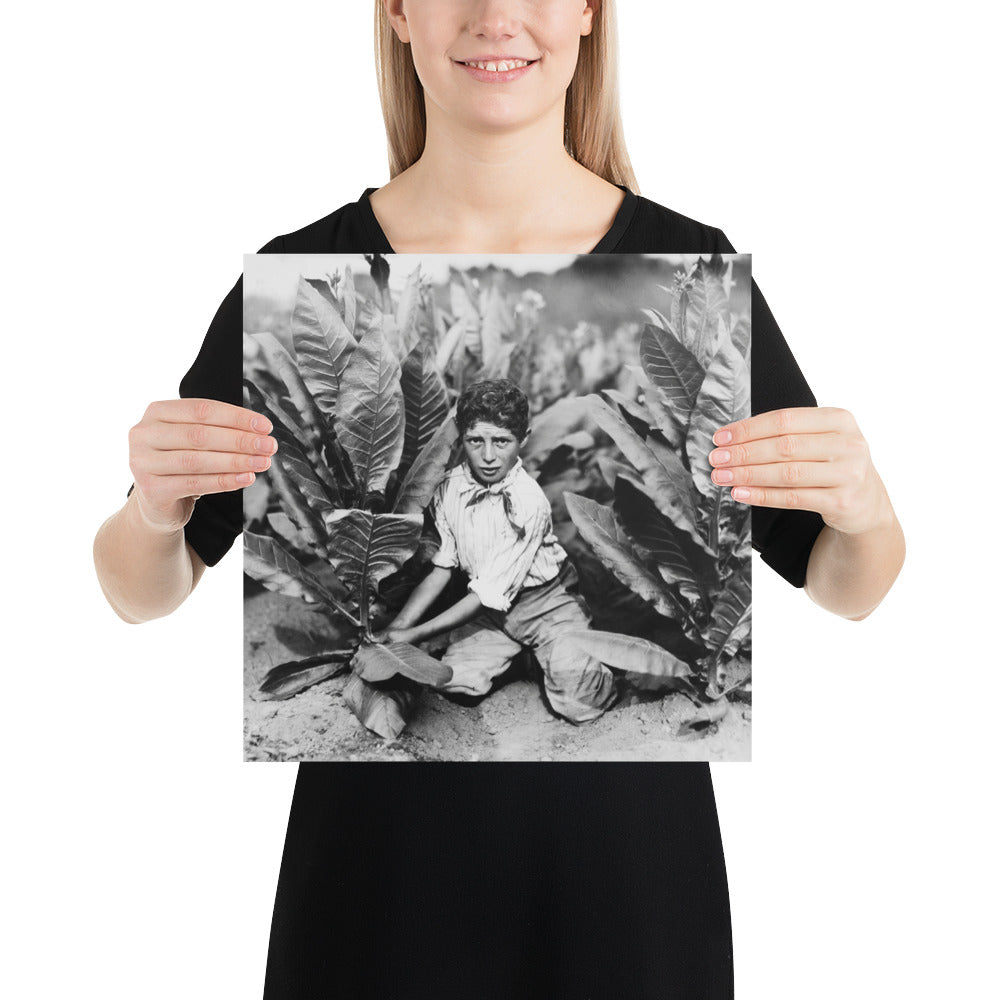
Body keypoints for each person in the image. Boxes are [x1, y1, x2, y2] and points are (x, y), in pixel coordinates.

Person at [92, 2, 905, 997]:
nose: (494, 15)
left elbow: (846, 584)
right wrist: (152, 509)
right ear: (395, 11)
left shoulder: (692, 263)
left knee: (555, 669)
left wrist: (865, 508)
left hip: (629, 902)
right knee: (457, 670)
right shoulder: (300, 267)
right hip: (374, 902)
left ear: (587, 14)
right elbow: (139, 590)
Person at [373, 377, 620, 722]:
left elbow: (488, 593)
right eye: (476, 441)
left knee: (581, 705)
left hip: (547, 603)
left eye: (502, 441)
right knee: (453, 683)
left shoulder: (528, 502)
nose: (488, 456)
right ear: (462, 438)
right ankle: (520, 661)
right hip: (491, 612)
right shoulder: (449, 488)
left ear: (524, 439)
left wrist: (410, 636)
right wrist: (397, 626)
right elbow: (444, 567)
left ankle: (568, 655)